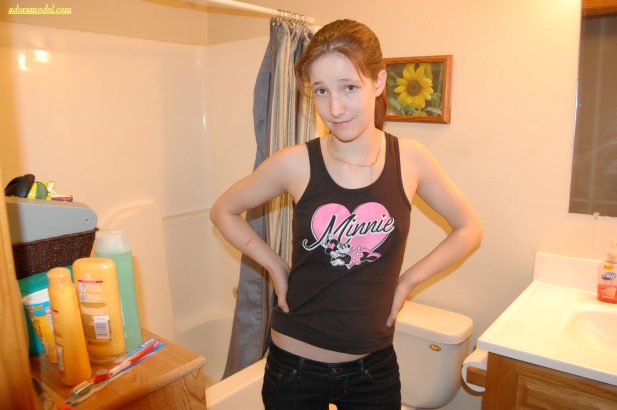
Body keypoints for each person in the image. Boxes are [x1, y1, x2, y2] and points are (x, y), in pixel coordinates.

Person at [210, 19, 483, 410]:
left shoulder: (411, 160)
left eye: (349, 88)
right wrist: (274, 266)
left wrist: (406, 283)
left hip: (373, 370)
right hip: (294, 369)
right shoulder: (295, 163)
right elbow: (224, 210)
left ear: (379, 82)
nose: (334, 109)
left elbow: (469, 228)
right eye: (321, 91)